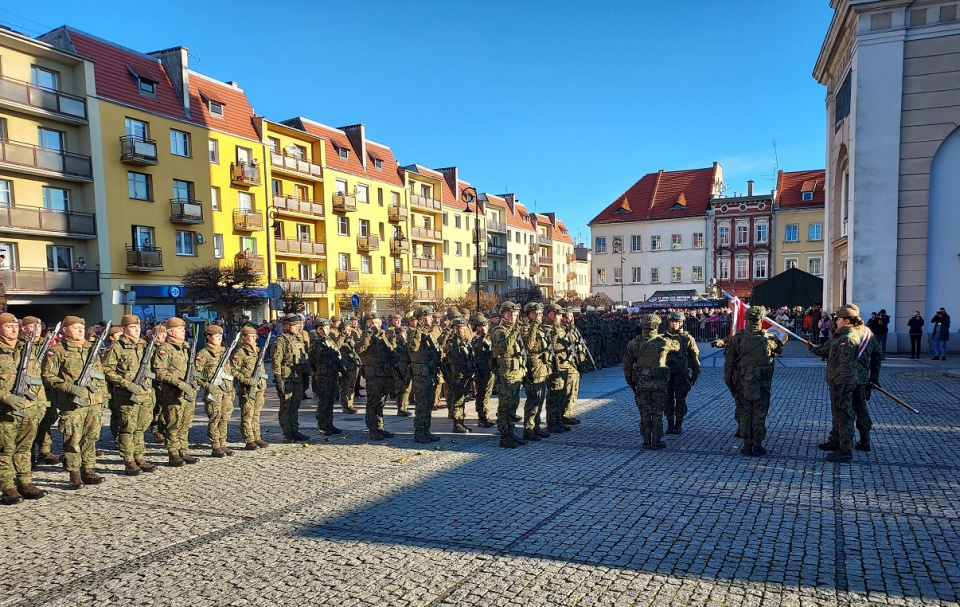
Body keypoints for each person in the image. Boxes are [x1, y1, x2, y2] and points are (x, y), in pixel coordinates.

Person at [42, 316, 109, 488]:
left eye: (82, 326)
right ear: (65, 330)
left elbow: (100, 375)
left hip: (93, 402)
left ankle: (88, 469)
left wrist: (103, 397)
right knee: (73, 439)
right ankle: (74, 473)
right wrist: (69, 387)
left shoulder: (91, 348)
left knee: (90, 438)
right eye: (75, 327)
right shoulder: (57, 350)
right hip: (72, 404)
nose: (80, 330)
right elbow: (47, 377)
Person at [720, 306, 785, 456]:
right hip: (762, 383)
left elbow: (729, 363)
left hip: (743, 381)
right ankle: (757, 444)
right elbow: (779, 348)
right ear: (761, 320)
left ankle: (747, 444)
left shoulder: (738, 338)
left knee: (745, 412)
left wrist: (730, 383)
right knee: (759, 412)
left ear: (747, 319)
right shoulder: (769, 338)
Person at [0, 313, 48, 503]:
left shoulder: (25, 350)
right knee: (5, 450)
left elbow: (36, 382)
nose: (13, 329)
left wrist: (40, 406)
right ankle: (7, 487)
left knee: (25, 449)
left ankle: (25, 483)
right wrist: (5, 396)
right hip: (5, 411)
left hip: (29, 409)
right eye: (8, 326)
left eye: (15, 325)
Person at [102, 314, 157, 476]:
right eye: (133, 327)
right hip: (126, 396)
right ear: (124, 329)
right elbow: (106, 370)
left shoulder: (143, 345)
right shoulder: (117, 347)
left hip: (145, 393)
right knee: (127, 429)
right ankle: (129, 461)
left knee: (141, 428)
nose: (136, 329)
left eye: (138, 327)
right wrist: (127, 384)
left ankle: (139, 456)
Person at [808, 304, 863, 463]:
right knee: (837, 414)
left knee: (844, 415)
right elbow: (825, 352)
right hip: (836, 381)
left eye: (838, 319)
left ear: (847, 321)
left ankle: (845, 450)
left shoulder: (848, 338)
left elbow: (846, 367)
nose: (836, 322)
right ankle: (836, 441)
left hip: (842, 383)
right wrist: (810, 347)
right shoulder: (839, 336)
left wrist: (840, 384)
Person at [622, 314, 679, 450]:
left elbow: (627, 365)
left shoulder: (634, 343)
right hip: (659, 385)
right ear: (656, 326)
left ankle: (646, 441)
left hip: (641, 384)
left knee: (645, 414)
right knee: (657, 413)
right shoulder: (663, 342)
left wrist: (631, 382)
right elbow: (676, 346)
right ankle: (657, 440)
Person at [152, 317, 198, 467]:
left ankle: (183, 450)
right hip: (172, 393)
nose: (183, 332)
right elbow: (160, 372)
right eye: (180, 329)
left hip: (187, 392)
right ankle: (173, 453)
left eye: (184, 329)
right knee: (173, 424)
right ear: (171, 332)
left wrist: (193, 383)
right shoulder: (165, 348)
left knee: (185, 423)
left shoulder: (186, 347)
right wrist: (180, 384)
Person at [196, 325, 236, 457]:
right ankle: (215, 446)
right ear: (208, 336)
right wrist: (207, 386)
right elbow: (196, 375)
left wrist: (231, 389)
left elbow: (230, 371)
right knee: (215, 418)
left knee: (224, 418)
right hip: (213, 393)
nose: (219, 338)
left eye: (220, 335)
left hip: (226, 392)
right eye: (216, 335)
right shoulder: (203, 354)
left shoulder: (225, 352)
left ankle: (223, 443)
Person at [491, 301, 526, 448]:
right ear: (506, 315)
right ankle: (504, 436)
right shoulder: (499, 331)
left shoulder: (513, 330)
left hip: (516, 373)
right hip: (506, 374)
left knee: (513, 405)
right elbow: (505, 348)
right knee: (505, 406)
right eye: (514, 315)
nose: (516, 319)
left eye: (517, 315)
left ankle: (511, 433)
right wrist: (515, 331)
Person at [355, 313, 395, 440]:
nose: (376, 325)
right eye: (373, 323)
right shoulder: (365, 336)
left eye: (378, 323)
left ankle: (380, 427)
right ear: (367, 323)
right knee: (373, 402)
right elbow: (360, 349)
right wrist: (367, 334)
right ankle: (373, 429)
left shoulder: (382, 335)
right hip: (373, 374)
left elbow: (389, 351)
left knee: (381, 402)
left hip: (384, 372)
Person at [407, 306, 442, 444]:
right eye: (429, 316)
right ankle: (419, 433)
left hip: (430, 373)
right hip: (421, 373)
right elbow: (413, 347)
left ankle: (426, 431)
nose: (432, 319)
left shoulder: (431, 333)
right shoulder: (415, 332)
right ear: (422, 318)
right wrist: (419, 331)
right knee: (421, 404)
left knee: (428, 404)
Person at [273, 314, 309, 442]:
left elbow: (303, 357)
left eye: (298, 325)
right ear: (286, 326)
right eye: (294, 325)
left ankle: (295, 430)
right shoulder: (281, 340)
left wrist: (306, 375)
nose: (297, 327)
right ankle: (286, 432)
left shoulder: (298, 339)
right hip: (286, 375)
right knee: (286, 405)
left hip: (297, 374)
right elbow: (276, 361)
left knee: (295, 404)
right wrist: (278, 379)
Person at [664, 311, 700, 434]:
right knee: (667, 399)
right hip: (666, 373)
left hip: (681, 373)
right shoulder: (663, 337)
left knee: (680, 399)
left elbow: (694, 356)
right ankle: (669, 423)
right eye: (672, 322)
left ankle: (678, 423)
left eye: (677, 322)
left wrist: (696, 372)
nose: (674, 324)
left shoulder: (687, 338)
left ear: (681, 323)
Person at [233, 325, 269, 450]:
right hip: (247, 388)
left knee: (256, 414)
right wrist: (247, 381)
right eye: (251, 336)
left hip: (259, 388)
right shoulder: (240, 353)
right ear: (244, 337)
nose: (254, 338)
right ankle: (249, 439)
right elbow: (233, 371)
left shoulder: (258, 351)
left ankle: (257, 437)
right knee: (247, 414)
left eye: (255, 336)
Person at [521, 302, 552, 438]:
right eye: (539, 314)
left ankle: (536, 426)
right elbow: (528, 345)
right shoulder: (526, 328)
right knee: (533, 400)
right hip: (532, 369)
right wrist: (533, 326)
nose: (541, 316)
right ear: (531, 314)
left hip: (541, 368)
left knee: (540, 399)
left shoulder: (540, 328)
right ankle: (528, 429)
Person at [308, 319, 343, 437]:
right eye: (321, 329)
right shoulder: (316, 343)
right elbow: (314, 359)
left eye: (327, 328)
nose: (324, 331)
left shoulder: (329, 340)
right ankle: (322, 425)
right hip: (323, 374)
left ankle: (330, 423)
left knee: (331, 400)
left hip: (332, 373)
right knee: (324, 400)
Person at [442, 317, 476, 434]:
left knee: (462, 399)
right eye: (462, 328)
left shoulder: (465, 340)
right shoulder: (452, 342)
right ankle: (457, 424)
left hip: (466, 373)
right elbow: (453, 357)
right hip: (458, 373)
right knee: (458, 399)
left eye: (465, 328)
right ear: (456, 329)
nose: (464, 330)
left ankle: (461, 422)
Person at [470, 315, 495, 428]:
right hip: (480, 370)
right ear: (478, 327)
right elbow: (478, 349)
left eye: (487, 325)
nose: (486, 327)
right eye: (484, 325)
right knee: (481, 394)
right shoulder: (476, 339)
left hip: (489, 368)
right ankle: (481, 417)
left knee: (487, 394)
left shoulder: (489, 337)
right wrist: (483, 336)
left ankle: (486, 415)